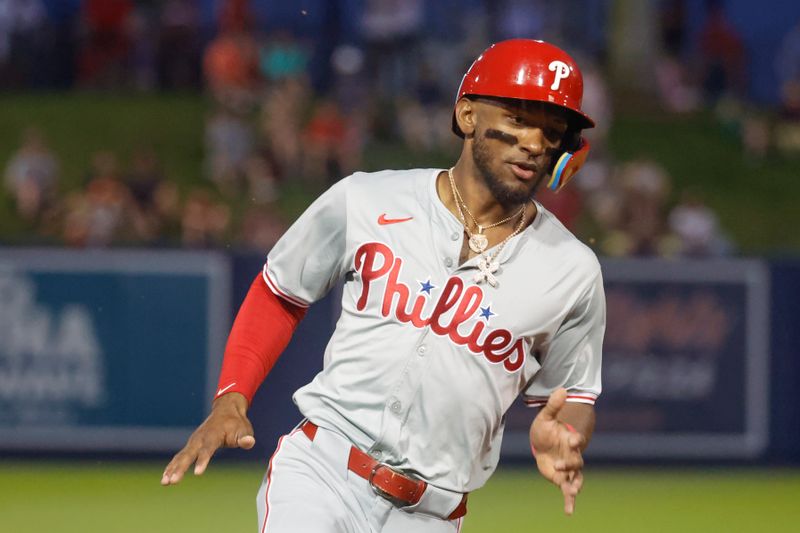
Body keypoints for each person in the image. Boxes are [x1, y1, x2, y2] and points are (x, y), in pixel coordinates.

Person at [162, 39, 605, 533]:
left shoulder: (572, 269)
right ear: (466, 115)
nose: (535, 142)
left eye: (553, 131)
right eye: (519, 118)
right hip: (323, 473)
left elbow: (575, 398)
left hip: (434, 513)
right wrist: (231, 396)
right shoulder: (368, 198)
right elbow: (279, 292)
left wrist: (566, 434)